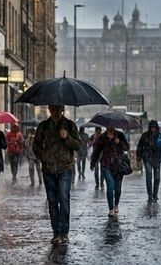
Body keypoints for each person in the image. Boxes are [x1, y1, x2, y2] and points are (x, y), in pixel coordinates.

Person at [34, 105, 81, 245]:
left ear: (62, 109)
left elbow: (78, 145)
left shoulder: (70, 125)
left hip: (65, 168)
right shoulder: (43, 126)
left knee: (64, 198)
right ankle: (56, 233)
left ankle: (64, 232)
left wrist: (66, 138)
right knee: (52, 201)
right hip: (48, 169)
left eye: (58, 108)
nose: (55, 111)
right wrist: (44, 157)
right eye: (53, 108)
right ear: (49, 108)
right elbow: (36, 146)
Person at [90, 126, 129, 218]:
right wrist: (93, 163)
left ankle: (116, 205)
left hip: (118, 165)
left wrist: (119, 143)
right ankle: (111, 209)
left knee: (118, 188)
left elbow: (127, 147)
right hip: (106, 165)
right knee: (110, 186)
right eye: (109, 126)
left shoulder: (120, 135)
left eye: (112, 126)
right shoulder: (102, 138)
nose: (110, 128)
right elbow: (96, 151)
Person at [136, 120, 161, 202]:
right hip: (147, 158)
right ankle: (150, 195)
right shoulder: (144, 136)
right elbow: (140, 147)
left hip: (157, 158)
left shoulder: (160, 136)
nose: (153, 129)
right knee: (149, 176)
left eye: (154, 127)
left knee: (157, 178)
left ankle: (155, 194)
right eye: (152, 127)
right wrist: (138, 158)